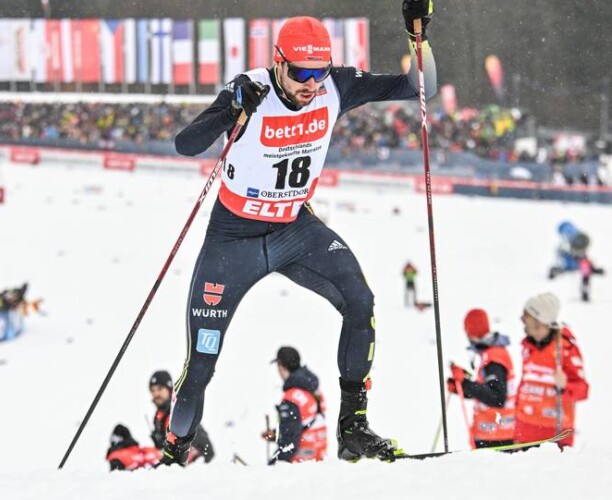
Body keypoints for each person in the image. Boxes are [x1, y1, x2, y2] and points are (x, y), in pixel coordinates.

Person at [159, 2, 437, 466]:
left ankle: (353, 429)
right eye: (302, 73)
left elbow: (416, 85)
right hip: (233, 239)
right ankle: (174, 453)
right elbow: (186, 145)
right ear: (279, 62)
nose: (311, 85)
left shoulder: (336, 86)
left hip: (294, 228)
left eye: (319, 73)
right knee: (201, 362)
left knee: (361, 302)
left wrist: (418, 37)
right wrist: (229, 109)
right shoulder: (250, 88)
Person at [515, 293, 589, 448]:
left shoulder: (566, 349)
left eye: (526, 319)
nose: (523, 324)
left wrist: (565, 385)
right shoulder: (527, 347)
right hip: (524, 433)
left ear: (539, 321)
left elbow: (582, 391)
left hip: (554, 438)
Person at [447, 309, 515, 448]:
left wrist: (465, 384)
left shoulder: (494, 358)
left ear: (471, 333)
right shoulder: (491, 353)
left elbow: (496, 398)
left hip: (496, 435)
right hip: (493, 433)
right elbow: (486, 391)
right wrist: (461, 388)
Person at [262, 347, 327, 463]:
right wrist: (278, 434)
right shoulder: (313, 389)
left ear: (281, 366)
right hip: (319, 459)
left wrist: (271, 467)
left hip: (299, 466)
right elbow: (304, 425)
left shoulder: (291, 399)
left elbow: (289, 444)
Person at [149, 371, 214, 464]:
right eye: (153, 390)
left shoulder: (178, 412)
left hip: (194, 468)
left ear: (169, 389)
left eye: (160, 389)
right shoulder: (159, 416)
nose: (156, 394)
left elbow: (202, 444)